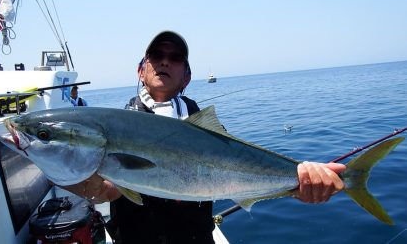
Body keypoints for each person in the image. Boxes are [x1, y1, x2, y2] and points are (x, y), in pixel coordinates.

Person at [62, 31, 346, 244]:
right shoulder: (122, 125)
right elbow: (110, 189)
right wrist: (71, 175)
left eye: (175, 58)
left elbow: (237, 173)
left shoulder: (202, 123)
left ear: (186, 77)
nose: (164, 61)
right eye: (156, 56)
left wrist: (297, 183)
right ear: (141, 70)